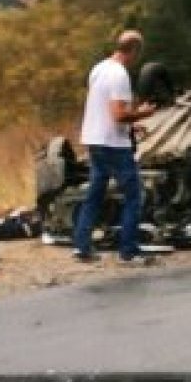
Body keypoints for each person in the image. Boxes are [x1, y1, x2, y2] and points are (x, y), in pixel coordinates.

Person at [74, 30, 157, 264]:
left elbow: (103, 108)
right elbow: (118, 114)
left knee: (95, 193)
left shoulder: (99, 68)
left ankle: (82, 245)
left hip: (94, 138)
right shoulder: (120, 75)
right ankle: (128, 251)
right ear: (135, 51)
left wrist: (132, 126)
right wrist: (143, 114)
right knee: (134, 195)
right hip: (113, 144)